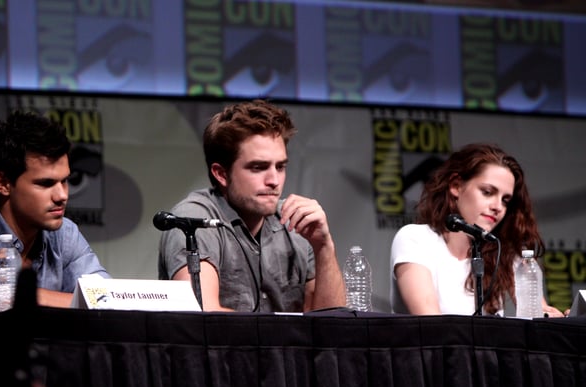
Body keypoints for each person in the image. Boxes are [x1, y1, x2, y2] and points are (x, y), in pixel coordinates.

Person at [158, 99, 345, 312]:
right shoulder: (194, 219)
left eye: (280, 166)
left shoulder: (296, 223)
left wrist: (324, 247)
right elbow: (205, 317)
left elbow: (332, 325)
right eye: (258, 167)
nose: (274, 180)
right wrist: (288, 333)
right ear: (221, 174)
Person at [0, 110, 109, 319]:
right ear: (3, 183)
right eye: (46, 183)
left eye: (65, 181)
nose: (62, 195)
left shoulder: (65, 234)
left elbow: (107, 299)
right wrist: (83, 302)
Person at [390, 143, 564, 317]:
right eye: (488, 192)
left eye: (505, 200)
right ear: (456, 186)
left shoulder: (502, 252)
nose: (498, 207)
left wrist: (558, 319)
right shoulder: (415, 238)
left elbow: (538, 315)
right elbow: (432, 323)